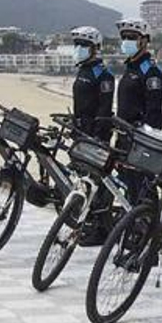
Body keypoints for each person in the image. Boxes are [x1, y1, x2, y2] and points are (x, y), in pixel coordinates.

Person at [68, 25, 116, 246]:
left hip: (96, 136)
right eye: (77, 44)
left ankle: (100, 228)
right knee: (82, 180)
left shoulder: (103, 75)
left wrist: (97, 136)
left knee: (96, 183)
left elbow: (104, 109)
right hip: (80, 132)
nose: (79, 48)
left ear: (95, 48)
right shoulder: (83, 70)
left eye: (84, 45)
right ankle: (84, 222)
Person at [114, 17, 162, 204]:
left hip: (140, 143)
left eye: (131, 37)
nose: (126, 41)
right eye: (124, 37)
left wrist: (146, 144)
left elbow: (153, 114)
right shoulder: (131, 68)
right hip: (123, 139)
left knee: (143, 195)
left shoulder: (151, 72)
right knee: (127, 194)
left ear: (144, 40)